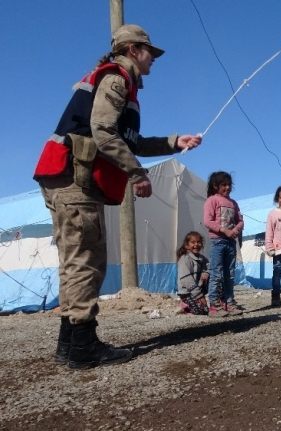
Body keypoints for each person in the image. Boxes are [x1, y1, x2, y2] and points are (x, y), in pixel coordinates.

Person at [33, 24, 202, 369]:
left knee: (76, 261)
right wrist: (137, 173)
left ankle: (71, 344)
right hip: (74, 180)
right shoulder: (116, 80)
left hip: (65, 178)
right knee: (86, 261)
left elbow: (129, 140)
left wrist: (174, 142)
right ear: (133, 50)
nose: (153, 60)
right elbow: (104, 132)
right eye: (150, 53)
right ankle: (83, 348)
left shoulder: (117, 83)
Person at [203, 171, 244, 317]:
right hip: (218, 242)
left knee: (230, 274)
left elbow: (240, 221)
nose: (227, 188)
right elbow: (207, 221)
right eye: (223, 185)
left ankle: (229, 303)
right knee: (216, 273)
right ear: (215, 186)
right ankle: (214, 305)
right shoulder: (212, 200)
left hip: (231, 242)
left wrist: (235, 230)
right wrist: (224, 230)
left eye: (229, 185)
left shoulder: (233, 203)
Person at [176, 231, 210, 315]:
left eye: (199, 242)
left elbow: (210, 268)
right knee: (200, 311)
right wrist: (200, 296)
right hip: (187, 292)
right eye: (193, 242)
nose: (196, 245)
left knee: (205, 310)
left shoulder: (202, 258)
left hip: (197, 291)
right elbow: (187, 280)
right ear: (187, 245)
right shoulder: (185, 259)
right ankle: (184, 305)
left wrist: (206, 273)